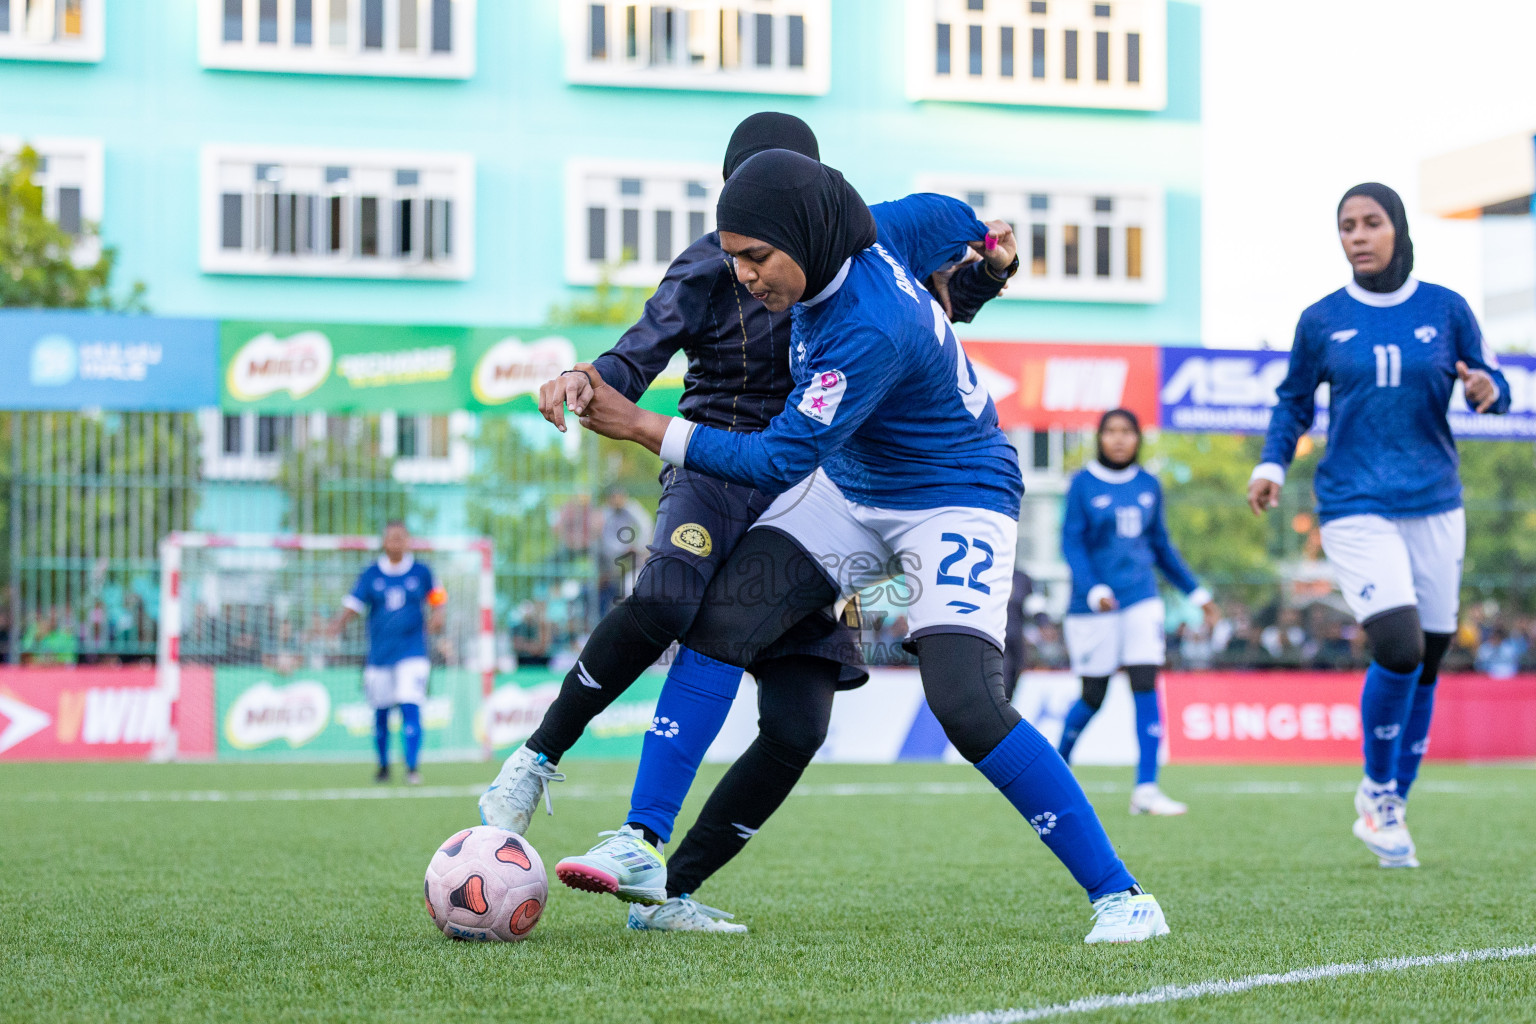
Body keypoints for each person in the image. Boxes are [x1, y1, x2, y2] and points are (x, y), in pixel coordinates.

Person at [560, 149, 1168, 943]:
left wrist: (642, 424)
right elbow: (956, 216)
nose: (743, 276)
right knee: (719, 625)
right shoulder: (884, 228)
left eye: (756, 256)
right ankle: (643, 847)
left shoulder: (868, 327)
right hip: (852, 486)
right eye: (733, 256)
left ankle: (1123, 897)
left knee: (968, 706)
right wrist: (993, 250)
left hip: (954, 495)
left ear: (806, 237)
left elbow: (777, 459)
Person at [478, 112, 1012, 934]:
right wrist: (589, 376)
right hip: (714, 471)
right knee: (668, 599)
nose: (752, 262)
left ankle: (667, 891)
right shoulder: (711, 265)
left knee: (799, 725)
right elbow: (640, 350)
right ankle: (539, 758)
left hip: (813, 492)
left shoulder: (857, 256)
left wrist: (993, 271)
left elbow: (933, 315)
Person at [1247, 182, 1509, 868]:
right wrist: (1271, 464)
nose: (1358, 236)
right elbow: (1292, 403)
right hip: (1354, 503)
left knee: (1431, 657)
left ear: (1398, 229)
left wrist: (1488, 390)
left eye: (1371, 223)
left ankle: (1391, 801)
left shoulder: (1446, 308)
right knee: (1398, 646)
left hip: (1436, 502)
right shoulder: (1321, 319)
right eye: (1347, 226)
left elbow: (1491, 382)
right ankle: (1377, 791)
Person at [1057, 408, 1217, 815]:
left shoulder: (1149, 485)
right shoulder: (1082, 484)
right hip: (1091, 606)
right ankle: (1055, 774)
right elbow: (1071, 543)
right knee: (1093, 695)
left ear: (1137, 438)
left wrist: (1197, 593)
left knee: (1145, 682)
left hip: (1142, 597)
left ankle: (1146, 788)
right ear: (1099, 438)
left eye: (1127, 431)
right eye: (1111, 431)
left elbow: (1161, 546)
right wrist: (1093, 589)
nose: (1119, 438)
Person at [332, 521, 445, 785]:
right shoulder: (371, 573)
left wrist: (439, 614)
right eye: (392, 538)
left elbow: (438, 598)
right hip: (380, 655)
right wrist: (336, 625)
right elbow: (354, 603)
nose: (397, 543)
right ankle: (383, 766)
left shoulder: (422, 571)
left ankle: (412, 767)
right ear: (384, 542)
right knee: (380, 712)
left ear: (408, 541)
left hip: (412, 651)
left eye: (401, 538)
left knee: (410, 705)